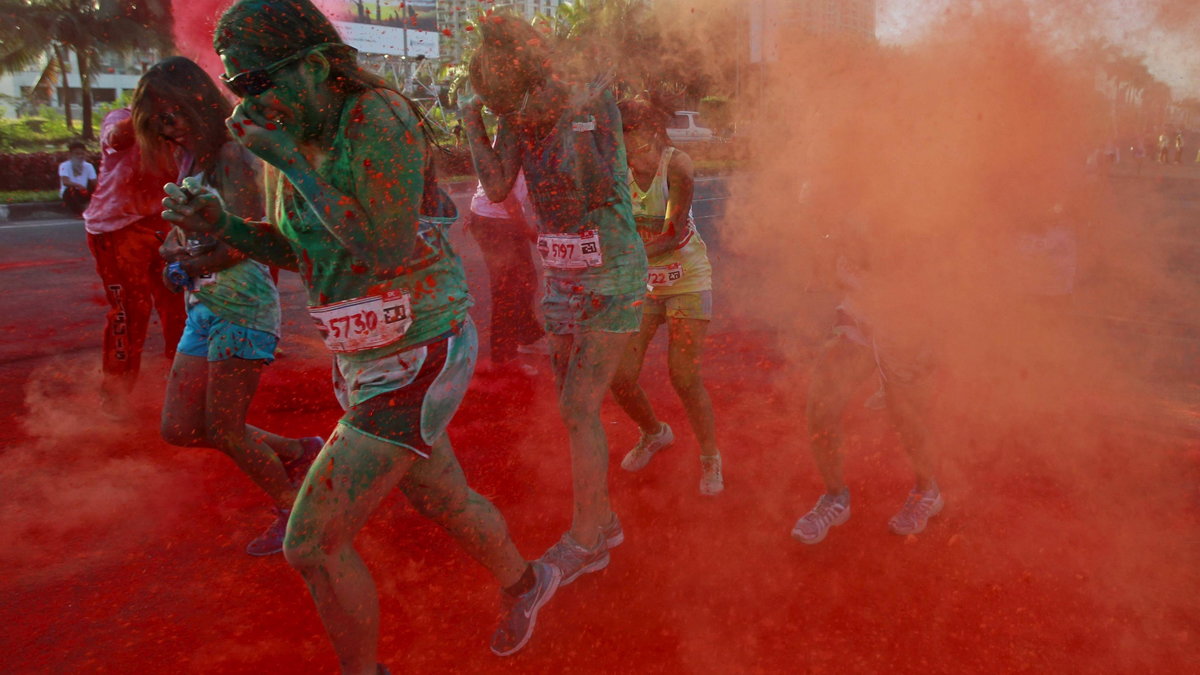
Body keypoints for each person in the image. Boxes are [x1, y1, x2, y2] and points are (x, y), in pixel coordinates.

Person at [167, 1, 559, 668]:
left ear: (316, 65)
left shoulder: (376, 118)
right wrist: (222, 224)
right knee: (443, 496)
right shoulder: (289, 133)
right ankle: (529, 580)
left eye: (256, 81)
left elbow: (379, 245)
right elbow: (300, 249)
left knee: (311, 542)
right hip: (364, 355)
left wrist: (289, 160)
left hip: (419, 346)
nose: (243, 102)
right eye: (236, 86)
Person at [463, 15, 647, 585]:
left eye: (504, 95)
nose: (505, 109)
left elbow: (592, 184)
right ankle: (604, 520)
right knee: (572, 404)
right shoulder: (519, 120)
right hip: (563, 275)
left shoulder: (586, 102)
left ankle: (588, 539)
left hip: (612, 273)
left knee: (577, 407)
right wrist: (473, 121)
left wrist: (572, 117)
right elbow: (495, 187)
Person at [132, 56, 322, 557]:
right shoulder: (190, 158)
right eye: (154, 119)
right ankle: (299, 450)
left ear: (197, 101)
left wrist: (184, 262)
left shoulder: (235, 154)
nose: (163, 126)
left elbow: (246, 240)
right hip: (205, 308)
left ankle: (295, 513)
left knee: (223, 428)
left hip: (243, 307)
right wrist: (179, 251)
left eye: (169, 113)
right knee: (180, 428)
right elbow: (188, 233)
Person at [791, 212, 943, 545]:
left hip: (906, 312)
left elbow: (891, 251)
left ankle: (927, 490)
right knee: (821, 405)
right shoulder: (836, 185)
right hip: (859, 308)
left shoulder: (897, 188)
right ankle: (835, 498)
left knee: (905, 416)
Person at [608, 99, 723, 496]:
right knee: (619, 377)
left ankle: (710, 457)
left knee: (684, 377)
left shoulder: (677, 165)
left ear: (648, 130)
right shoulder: (615, 165)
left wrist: (620, 255)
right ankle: (654, 433)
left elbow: (673, 234)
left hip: (687, 279)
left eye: (622, 131)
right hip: (643, 282)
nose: (617, 140)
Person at [83, 108, 187, 418]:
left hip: (162, 225)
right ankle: (115, 391)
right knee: (129, 311)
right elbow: (117, 137)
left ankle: (182, 384)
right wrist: (152, 108)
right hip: (116, 229)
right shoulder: (121, 117)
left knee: (178, 307)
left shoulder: (183, 123)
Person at [466, 169, 545, 375]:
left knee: (527, 281)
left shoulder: (527, 141)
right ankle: (503, 358)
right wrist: (526, 230)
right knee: (507, 292)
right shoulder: (512, 140)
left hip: (499, 218)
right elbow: (505, 194)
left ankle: (527, 336)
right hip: (494, 221)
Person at [59, 141, 97, 215]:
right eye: (77, 154)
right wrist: (78, 185)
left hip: (83, 192)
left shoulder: (89, 166)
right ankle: (78, 212)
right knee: (71, 190)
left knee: (96, 190)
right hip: (70, 193)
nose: (80, 156)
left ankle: (90, 209)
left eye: (82, 154)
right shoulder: (64, 165)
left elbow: (94, 182)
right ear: (70, 155)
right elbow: (65, 182)